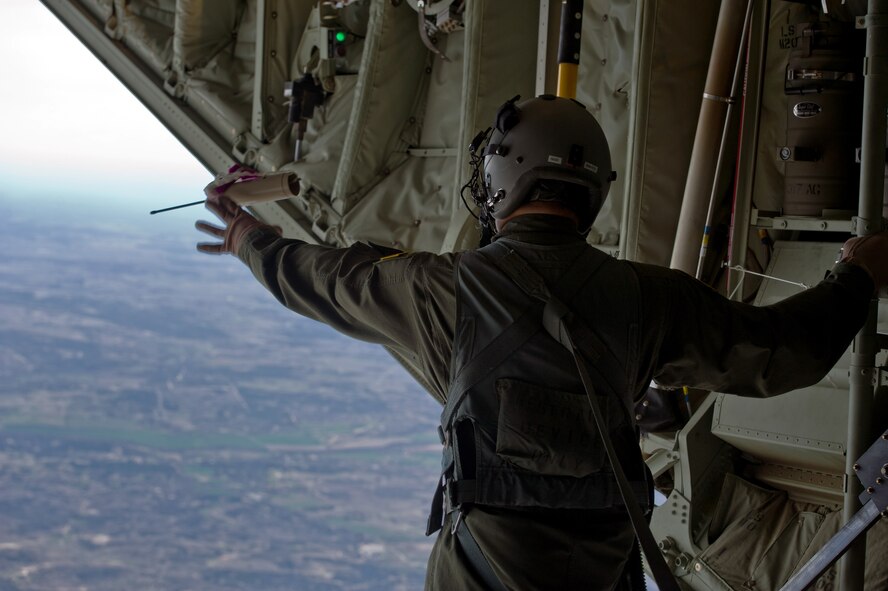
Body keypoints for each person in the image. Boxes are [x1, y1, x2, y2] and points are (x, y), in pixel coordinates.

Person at [196, 95, 887, 591]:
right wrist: (857, 274)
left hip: (483, 568)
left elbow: (321, 279)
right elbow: (786, 352)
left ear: (500, 176)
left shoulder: (441, 290)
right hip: (603, 567)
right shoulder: (650, 297)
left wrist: (248, 240)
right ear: (593, 190)